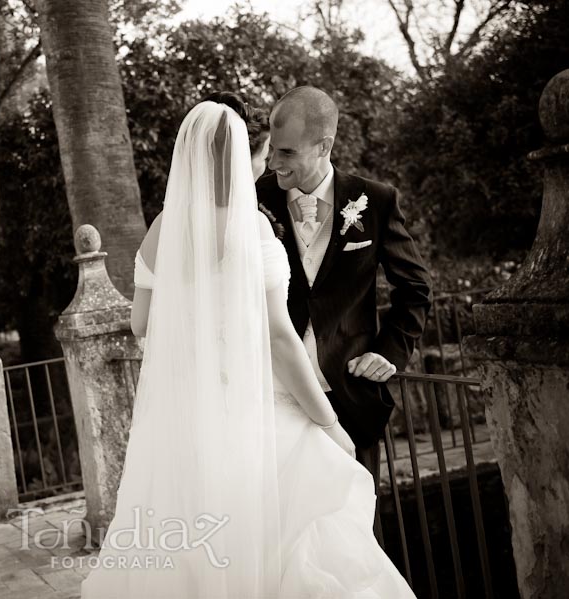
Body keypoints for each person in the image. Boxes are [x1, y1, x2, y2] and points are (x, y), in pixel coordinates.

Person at [79, 100, 416, 597]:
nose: (265, 165)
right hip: (253, 411)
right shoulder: (250, 227)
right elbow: (279, 339)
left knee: (196, 542)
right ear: (240, 157)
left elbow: (142, 323)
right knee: (299, 539)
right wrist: (326, 423)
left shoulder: (161, 230)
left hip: (188, 419)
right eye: (259, 153)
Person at [255, 86, 432, 484]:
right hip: (274, 400)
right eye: (272, 150)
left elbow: (415, 288)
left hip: (352, 397)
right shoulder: (253, 201)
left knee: (354, 533)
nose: (273, 164)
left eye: (287, 153)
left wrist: (390, 352)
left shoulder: (377, 200)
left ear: (324, 146)